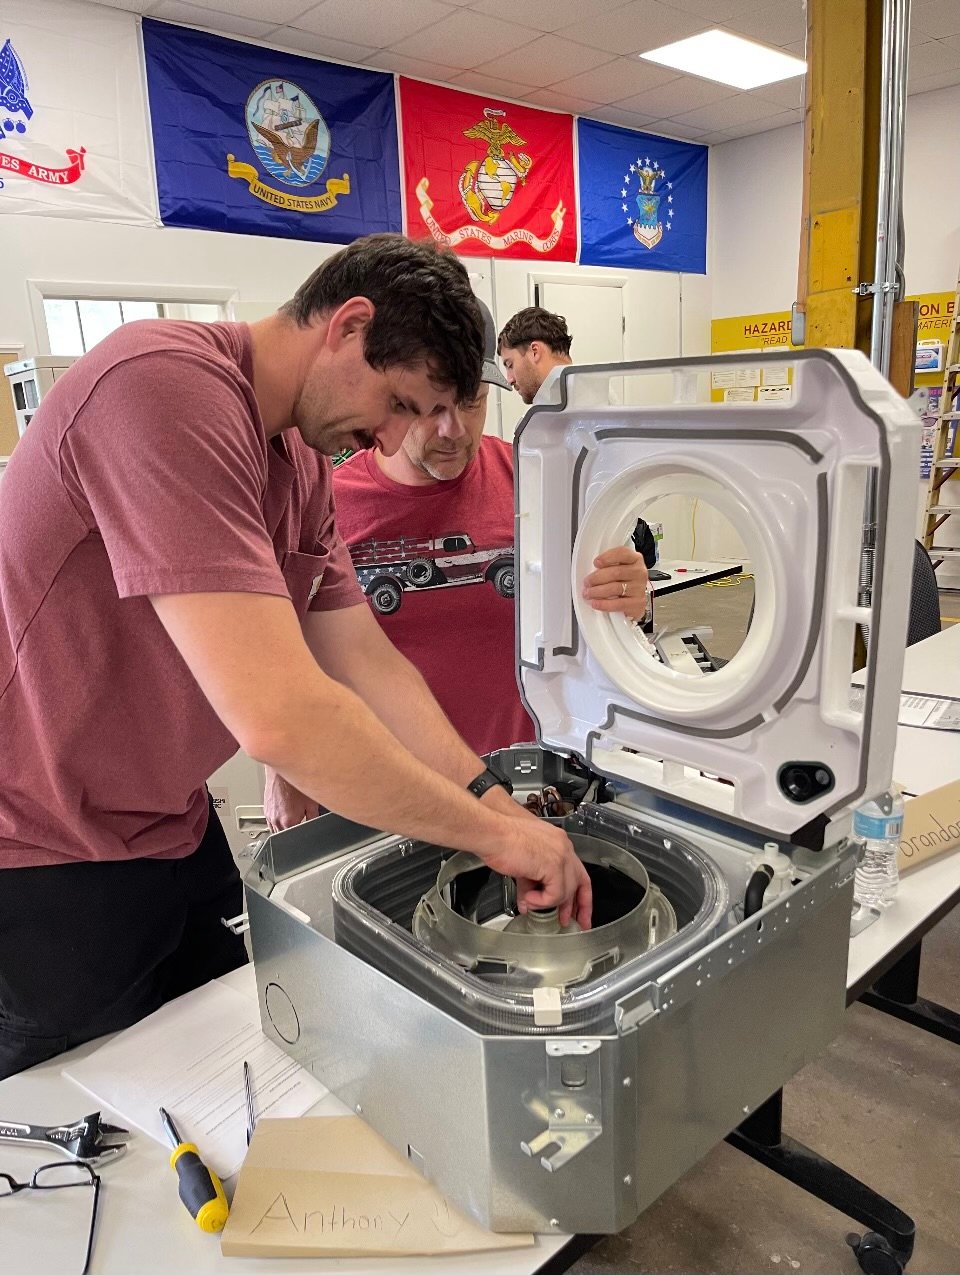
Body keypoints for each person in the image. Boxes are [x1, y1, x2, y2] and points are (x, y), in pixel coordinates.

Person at [0, 234, 591, 1080]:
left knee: (232, 1069)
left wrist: (500, 805)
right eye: (400, 402)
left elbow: (369, 667)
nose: (396, 436)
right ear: (348, 327)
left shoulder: (302, 461)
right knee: (86, 1124)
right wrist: (491, 841)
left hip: (167, 825)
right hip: (43, 852)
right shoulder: (159, 387)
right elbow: (281, 714)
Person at [293, 300, 649, 767]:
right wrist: (286, 766)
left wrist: (631, 603)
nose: (454, 430)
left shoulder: (536, 479)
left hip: (524, 779)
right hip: (389, 789)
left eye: (471, 401)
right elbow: (290, 653)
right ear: (390, 396)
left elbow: (596, 619)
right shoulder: (331, 502)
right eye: (431, 406)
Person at [498, 306, 657, 567]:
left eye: (510, 364)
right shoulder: (595, 398)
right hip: (593, 557)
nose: (510, 378)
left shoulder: (567, 411)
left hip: (585, 562)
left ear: (535, 351)